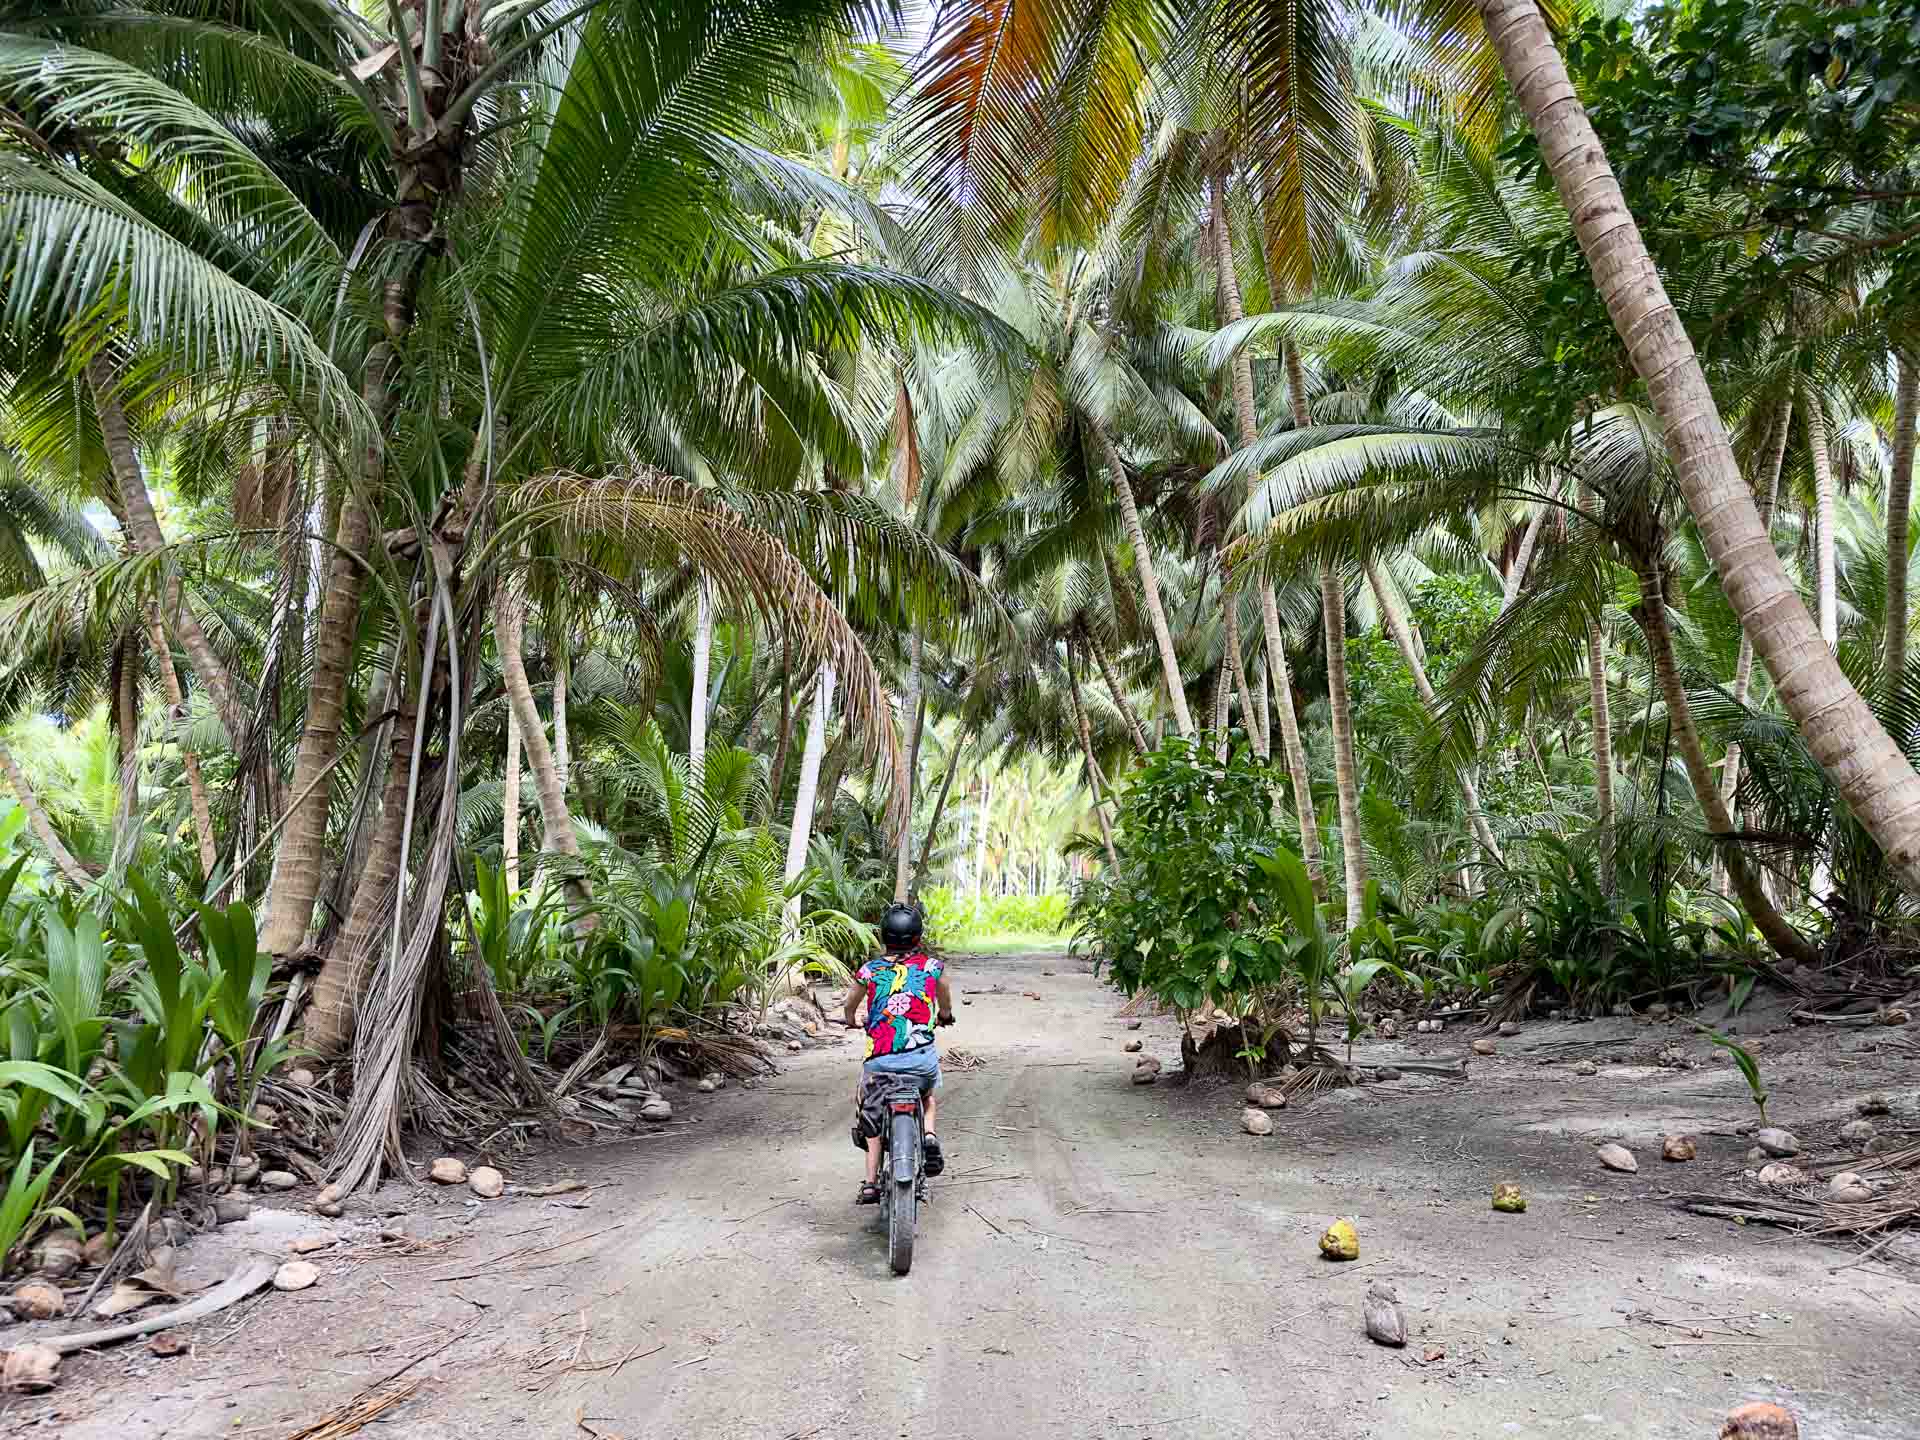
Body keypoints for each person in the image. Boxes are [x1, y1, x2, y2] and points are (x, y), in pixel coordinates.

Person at [843, 901, 953, 1205]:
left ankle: (870, 1183)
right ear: (918, 937)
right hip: (921, 1062)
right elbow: (945, 998)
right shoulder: (932, 968)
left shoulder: (869, 971)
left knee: (870, 1109)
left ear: (883, 937)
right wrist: (944, 1014)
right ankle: (929, 1135)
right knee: (927, 1096)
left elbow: (850, 1005)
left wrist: (851, 1020)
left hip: (880, 1063)